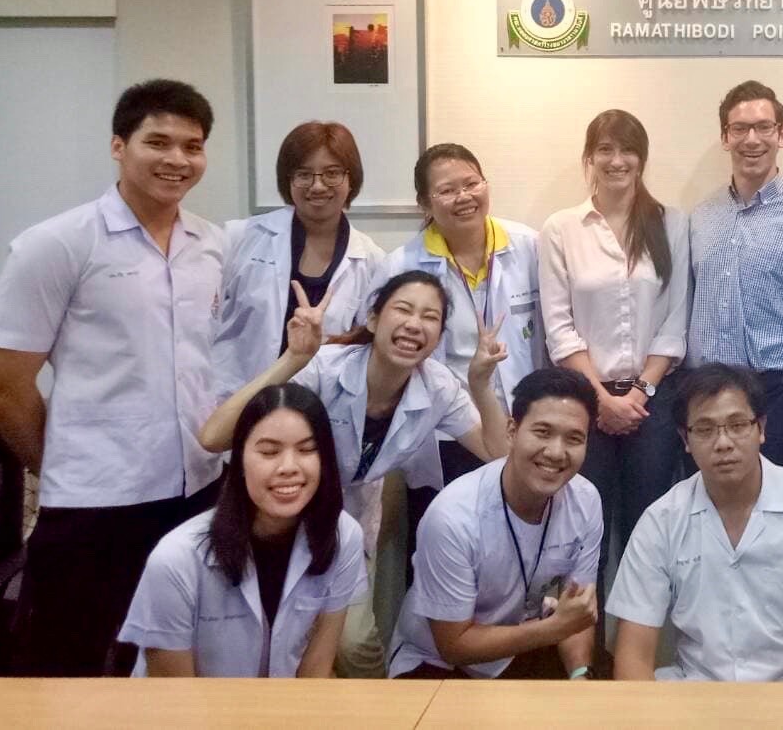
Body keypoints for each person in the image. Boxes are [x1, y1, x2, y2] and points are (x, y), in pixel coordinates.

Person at [0, 79, 225, 676]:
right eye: (159, 142)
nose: (177, 160)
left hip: (198, 493)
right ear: (118, 146)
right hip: (94, 504)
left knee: (180, 662)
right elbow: (7, 384)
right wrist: (61, 463)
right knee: (72, 668)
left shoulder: (212, 244)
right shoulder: (56, 244)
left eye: (193, 145)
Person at [199, 269, 509, 676]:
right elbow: (215, 436)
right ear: (375, 319)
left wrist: (481, 384)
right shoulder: (325, 369)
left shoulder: (437, 387)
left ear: (437, 338)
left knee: (355, 645)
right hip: (276, 525)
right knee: (272, 644)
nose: (415, 323)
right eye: (403, 309)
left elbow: (498, 452)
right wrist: (295, 359)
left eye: (430, 317)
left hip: (347, 530)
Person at [608, 363, 783, 682]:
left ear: (762, 428)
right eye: (705, 429)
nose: (723, 442)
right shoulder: (662, 519)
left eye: (737, 424)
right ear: (685, 439)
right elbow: (634, 650)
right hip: (700, 703)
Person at [539, 110, 689, 664]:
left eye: (627, 150)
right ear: (590, 157)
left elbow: (676, 322)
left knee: (646, 535)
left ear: (642, 159)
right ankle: (585, 664)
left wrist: (639, 395)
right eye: (605, 149)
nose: (616, 160)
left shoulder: (672, 223)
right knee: (584, 535)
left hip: (653, 401)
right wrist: (601, 400)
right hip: (584, 405)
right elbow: (559, 327)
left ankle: (636, 659)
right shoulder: (561, 229)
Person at [119, 384, 367, 677]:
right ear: (239, 461)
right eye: (269, 452)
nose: (289, 467)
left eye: (307, 450)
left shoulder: (343, 535)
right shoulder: (176, 559)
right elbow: (173, 698)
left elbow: (315, 671)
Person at [389, 368, 603, 681]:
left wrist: (580, 675)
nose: (557, 452)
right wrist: (552, 628)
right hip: (437, 661)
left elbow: (577, 614)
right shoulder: (453, 516)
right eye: (542, 432)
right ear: (512, 431)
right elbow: (454, 645)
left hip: (520, 646)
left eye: (574, 439)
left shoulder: (585, 500)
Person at [375, 143, 542, 515]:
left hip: (523, 425)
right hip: (449, 432)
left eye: (471, 184)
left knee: (518, 544)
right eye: (447, 190)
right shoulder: (400, 267)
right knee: (444, 536)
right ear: (424, 203)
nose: (463, 197)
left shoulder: (531, 247)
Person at [688, 80, 783, 472]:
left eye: (764, 127)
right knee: (708, 510)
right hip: (705, 392)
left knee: (775, 514)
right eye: (739, 129)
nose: (751, 139)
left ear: (782, 134)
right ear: (725, 137)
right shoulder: (702, 217)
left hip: (776, 393)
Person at [213, 121, 384, 397]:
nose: (317, 186)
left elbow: (366, 348)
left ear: (351, 179)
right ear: (287, 179)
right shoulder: (239, 238)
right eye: (303, 174)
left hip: (320, 409)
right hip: (238, 399)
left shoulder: (372, 260)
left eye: (332, 173)